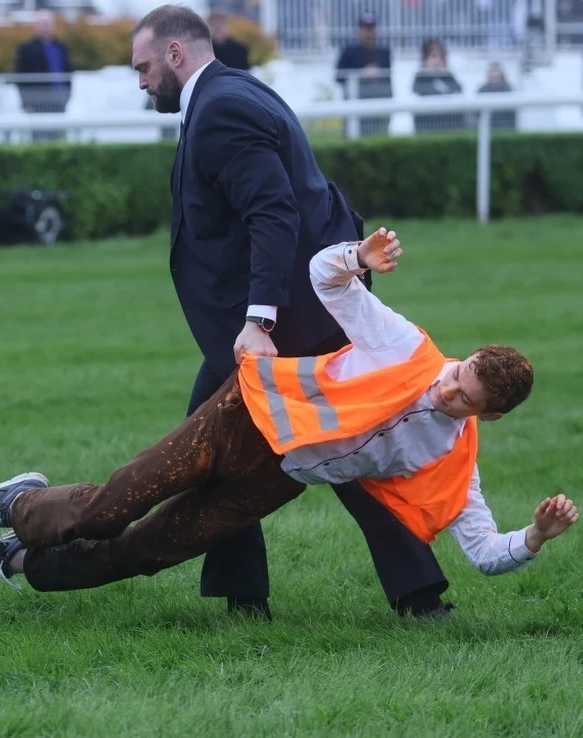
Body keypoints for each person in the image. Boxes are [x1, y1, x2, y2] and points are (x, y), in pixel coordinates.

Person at [0, 227, 580, 604]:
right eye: (457, 376)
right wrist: (359, 257)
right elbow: (323, 276)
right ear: (463, 359)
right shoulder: (406, 346)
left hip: (277, 480)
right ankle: (20, 503)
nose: (449, 392)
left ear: (486, 418)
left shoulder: (453, 457)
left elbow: (485, 553)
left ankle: (15, 562)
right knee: (113, 509)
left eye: (465, 400)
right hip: (245, 416)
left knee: (144, 554)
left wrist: (536, 538)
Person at [123, 5, 453, 620]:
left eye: (142, 67)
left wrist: (260, 320)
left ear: (174, 53)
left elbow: (275, 214)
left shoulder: (221, 108)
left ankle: (249, 600)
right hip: (307, 311)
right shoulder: (236, 91)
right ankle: (406, 593)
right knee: (331, 446)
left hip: (283, 323)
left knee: (222, 451)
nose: (140, 82)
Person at [14, 9, 75, 141]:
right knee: (39, 138)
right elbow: (20, 78)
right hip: (37, 103)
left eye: (47, 23)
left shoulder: (61, 47)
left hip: (58, 101)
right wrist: (26, 103)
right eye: (42, 23)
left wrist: (67, 95)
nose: (45, 26)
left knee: (58, 137)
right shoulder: (26, 49)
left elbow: (68, 72)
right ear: (35, 25)